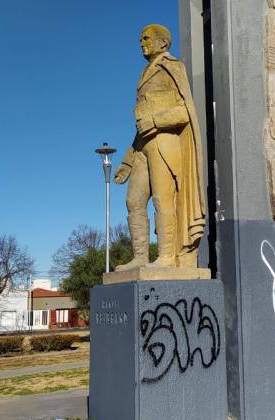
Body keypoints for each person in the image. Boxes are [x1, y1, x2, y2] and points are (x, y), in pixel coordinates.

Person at [114, 24, 206, 270]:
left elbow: (185, 111)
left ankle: (167, 257)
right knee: (133, 201)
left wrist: (155, 121)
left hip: (165, 142)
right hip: (143, 147)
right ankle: (140, 256)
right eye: (141, 38)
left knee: (163, 201)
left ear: (163, 43)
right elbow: (140, 125)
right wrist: (127, 161)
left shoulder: (172, 67)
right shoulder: (145, 73)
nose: (142, 43)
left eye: (146, 38)